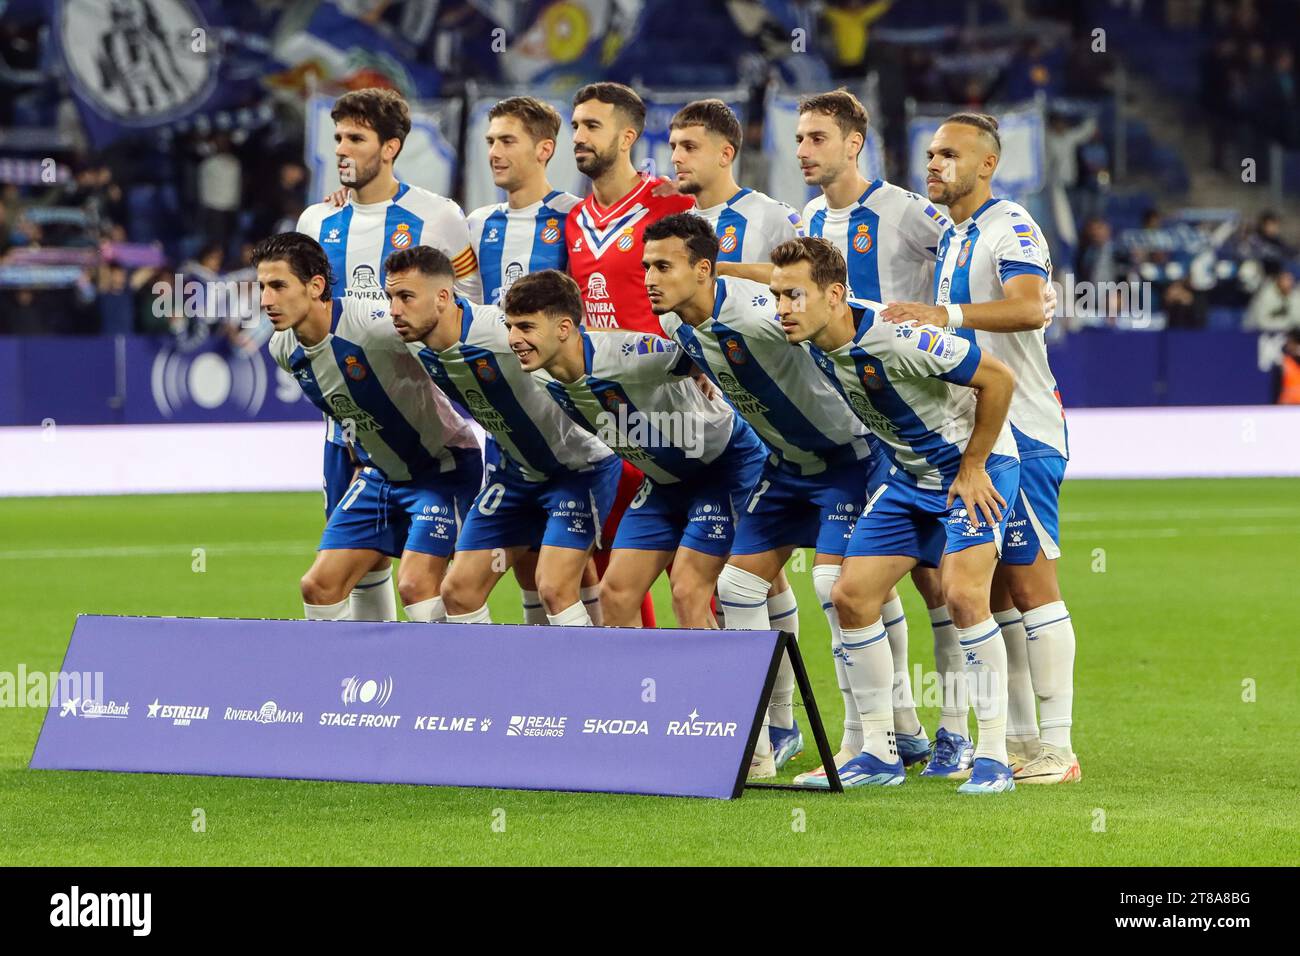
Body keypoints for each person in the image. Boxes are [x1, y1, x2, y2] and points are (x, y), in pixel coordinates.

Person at [644, 213, 920, 782]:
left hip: (850, 458)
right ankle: (758, 746)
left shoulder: (761, 313)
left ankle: (873, 744)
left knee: (835, 588)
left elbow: (835, 315)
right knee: (738, 585)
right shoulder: (679, 328)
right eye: (646, 265)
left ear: (703, 270)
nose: (648, 277)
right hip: (785, 466)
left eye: (662, 266)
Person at [774, 236, 1021, 793]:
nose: (782, 309)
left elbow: (999, 379)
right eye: (777, 296)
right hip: (910, 479)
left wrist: (975, 461)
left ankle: (994, 755)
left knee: (962, 597)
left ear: (834, 296)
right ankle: (880, 754)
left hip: (974, 472)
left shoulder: (896, 336)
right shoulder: (813, 335)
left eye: (793, 295)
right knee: (850, 595)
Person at [884, 112, 1081, 785]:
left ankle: (1057, 749)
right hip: (978, 434)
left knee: (1032, 586)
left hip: (1021, 429)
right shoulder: (956, 235)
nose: (933, 164)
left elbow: (1030, 308)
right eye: (930, 153)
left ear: (987, 165)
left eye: (948, 154)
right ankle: (1022, 744)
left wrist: (949, 316)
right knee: (994, 593)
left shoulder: (1010, 226)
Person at [296, 88, 483, 622]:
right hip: (346, 428)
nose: (342, 150)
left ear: (391, 147)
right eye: (338, 138)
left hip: (420, 420)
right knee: (361, 568)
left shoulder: (438, 216)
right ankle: (370, 690)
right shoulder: (315, 223)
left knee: (421, 580)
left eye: (356, 139)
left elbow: (468, 305)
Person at [506, 270, 766, 629]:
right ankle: (636, 686)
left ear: (564, 328)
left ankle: (722, 685)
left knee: (688, 592)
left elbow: (704, 353)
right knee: (616, 593)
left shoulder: (630, 356)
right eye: (510, 327)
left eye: (525, 327)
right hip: (662, 482)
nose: (513, 339)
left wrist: (702, 367)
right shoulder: (540, 373)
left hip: (723, 467)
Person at [384, 245, 622, 627]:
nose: (394, 309)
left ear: (444, 298)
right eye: (390, 297)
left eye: (406, 297)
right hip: (515, 474)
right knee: (458, 590)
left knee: (555, 588)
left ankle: (588, 681)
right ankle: (478, 685)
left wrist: (685, 369)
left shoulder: (500, 331)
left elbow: (582, 342)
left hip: (579, 470)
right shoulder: (411, 338)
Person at [258, 233, 483, 623]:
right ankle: (355, 675)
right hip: (380, 476)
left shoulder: (373, 325)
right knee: (319, 586)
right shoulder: (283, 348)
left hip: (442, 469)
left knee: (416, 585)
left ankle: (459, 676)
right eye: (261, 287)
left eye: (278, 286)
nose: (266, 300)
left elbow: (445, 341)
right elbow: (342, 408)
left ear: (315, 287)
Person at [565, 82, 696, 626]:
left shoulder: (670, 205)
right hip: (603, 418)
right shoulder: (570, 220)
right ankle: (644, 701)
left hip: (673, 412)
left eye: (591, 126)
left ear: (627, 137)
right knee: (615, 568)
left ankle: (740, 703)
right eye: (574, 126)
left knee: (694, 578)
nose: (578, 137)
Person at [468, 96, 580, 307]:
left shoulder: (576, 216)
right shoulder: (477, 223)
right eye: (491, 142)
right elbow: (467, 307)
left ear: (544, 150)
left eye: (507, 141)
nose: (494, 153)